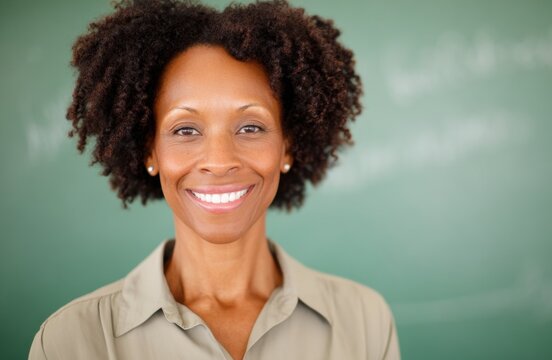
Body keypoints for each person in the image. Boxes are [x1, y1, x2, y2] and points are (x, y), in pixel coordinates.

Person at [28, 0, 400, 359]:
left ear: (288, 146)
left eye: (251, 127)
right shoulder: (70, 341)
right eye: (186, 130)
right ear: (150, 151)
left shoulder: (365, 322)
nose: (220, 162)